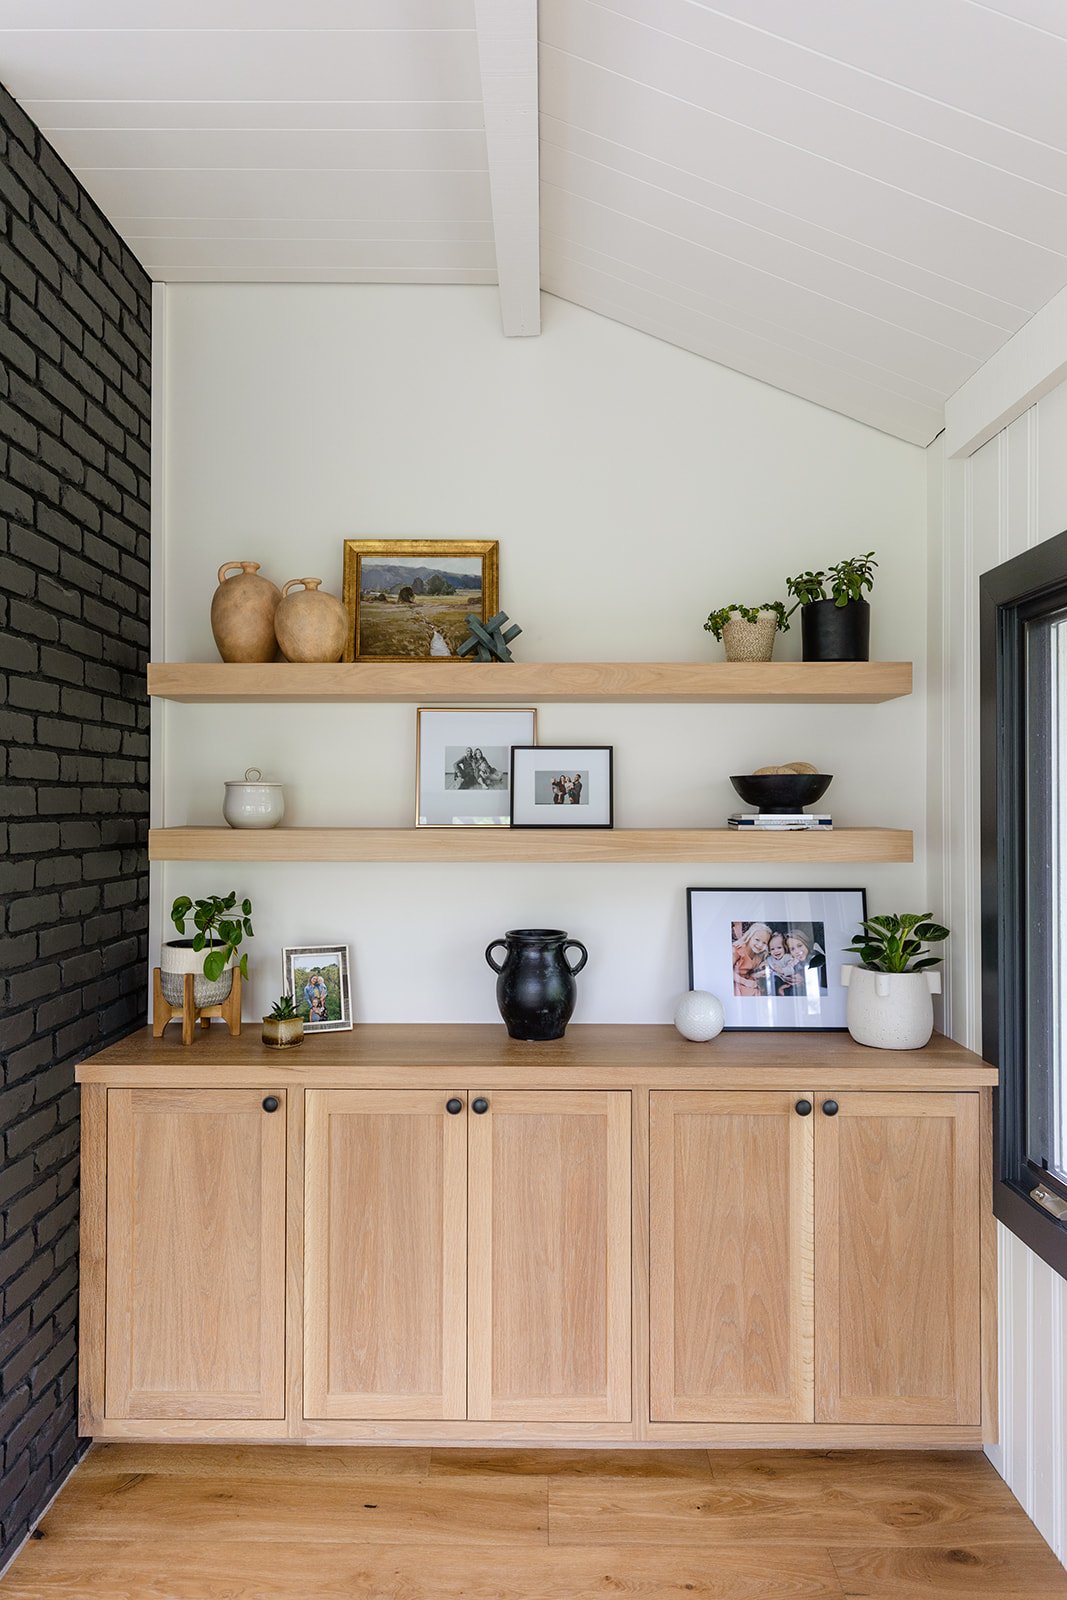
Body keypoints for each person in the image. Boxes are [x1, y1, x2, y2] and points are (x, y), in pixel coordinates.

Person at [732, 922, 772, 997]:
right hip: (736, 981)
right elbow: (726, 971)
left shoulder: (759, 956)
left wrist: (757, 974)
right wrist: (745, 982)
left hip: (748, 982)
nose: (760, 945)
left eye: (764, 943)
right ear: (750, 937)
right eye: (757, 939)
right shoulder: (738, 950)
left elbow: (749, 973)